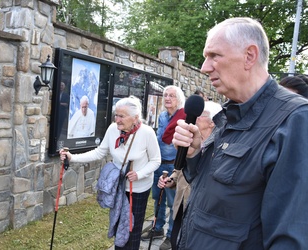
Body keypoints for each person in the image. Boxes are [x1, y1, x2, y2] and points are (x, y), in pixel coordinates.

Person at [171, 17, 308, 249]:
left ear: (249, 56)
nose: (204, 67)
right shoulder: (231, 112)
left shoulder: (296, 120)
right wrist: (194, 155)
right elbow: (214, 189)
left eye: (214, 56)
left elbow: (290, 237)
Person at [60, 96, 161, 249]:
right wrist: (72, 157)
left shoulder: (147, 133)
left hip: (138, 190)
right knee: (118, 225)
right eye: (116, 115)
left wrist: (139, 174)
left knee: (132, 229)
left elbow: (156, 160)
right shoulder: (113, 129)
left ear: (135, 118)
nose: (117, 119)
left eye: (122, 116)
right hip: (119, 187)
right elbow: (99, 152)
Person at [158, 100, 222, 249]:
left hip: (199, 209)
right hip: (181, 202)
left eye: (200, 115)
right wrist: (171, 179)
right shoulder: (188, 139)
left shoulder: (218, 146)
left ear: (212, 123)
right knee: (176, 241)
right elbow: (180, 168)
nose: (194, 117)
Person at [141, 85, 186, 250]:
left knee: (173, 203)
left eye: (172, 96)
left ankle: (171, 235)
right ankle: (157, 228)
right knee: (157, 199)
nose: (167, 98)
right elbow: (159, 139)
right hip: (158, 164)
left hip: (174, 167)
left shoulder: (184, 117)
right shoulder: (162, 116)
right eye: (165, 95)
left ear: (179, 99)